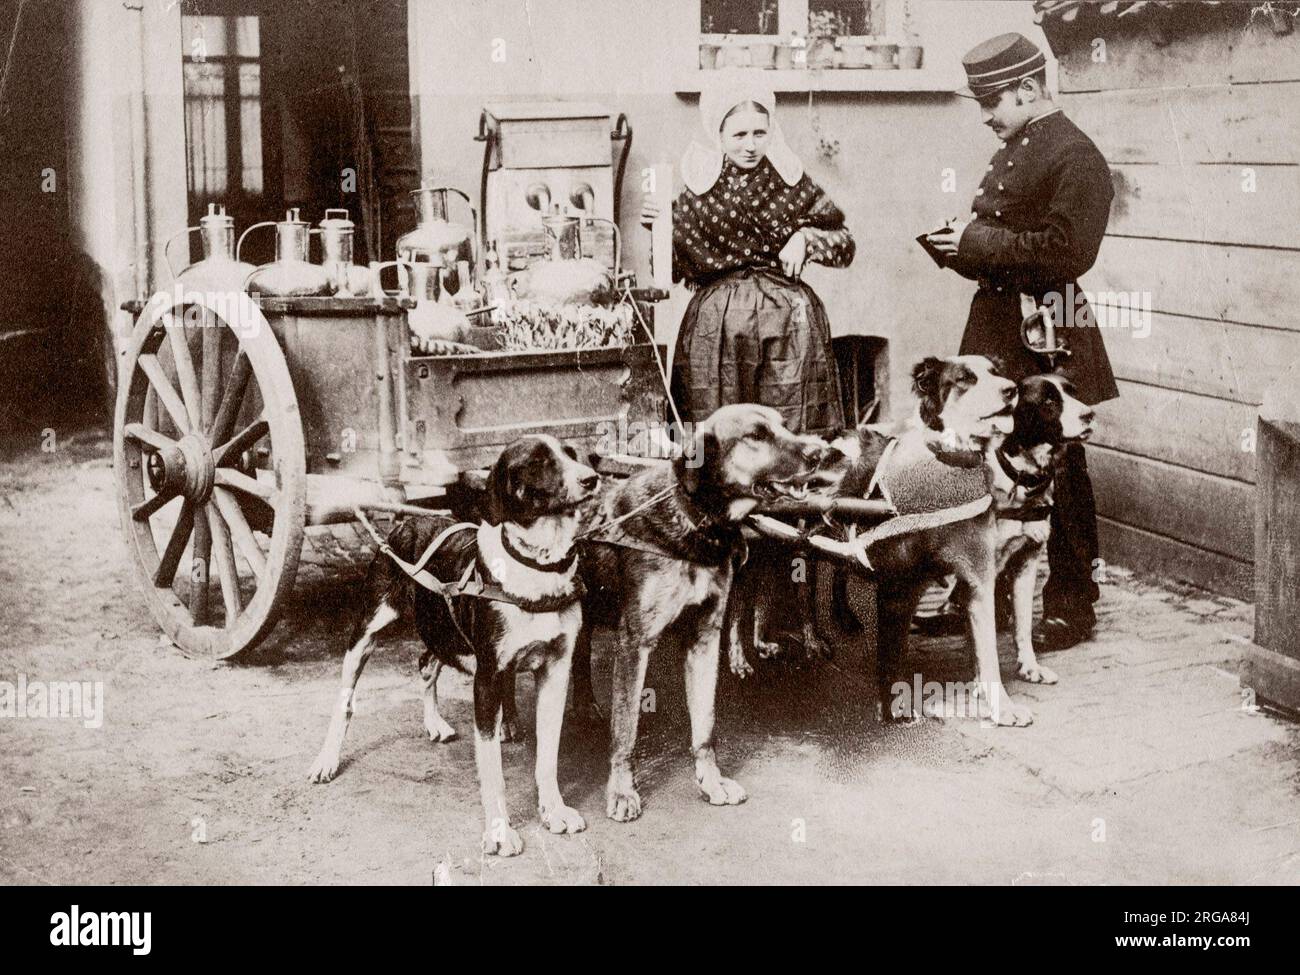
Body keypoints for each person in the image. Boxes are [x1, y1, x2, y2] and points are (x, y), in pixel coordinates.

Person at [926, 32, 1118, 653]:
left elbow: (1067, 252)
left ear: (1030, 90)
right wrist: (959, 249)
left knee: (1061, 458)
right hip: (999, 318)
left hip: (1049, 326)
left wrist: (977, 244)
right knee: (989, 452)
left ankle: (1070, 599)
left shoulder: (1075, 156)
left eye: (993, 103)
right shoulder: (1022, 142)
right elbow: (1006, 240)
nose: (986, 118)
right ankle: (982, 591)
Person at [642, 81, 855, 436]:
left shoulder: (792, 182)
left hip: (788, 326)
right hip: (717, 330)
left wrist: (806, 239)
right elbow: (670, 270)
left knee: (793, 430)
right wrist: (658, 227)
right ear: (719, 135)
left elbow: (844, 244)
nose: (751, 145)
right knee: (718, 434)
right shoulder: (697, 191)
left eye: (760, 133)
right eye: (739, 134)